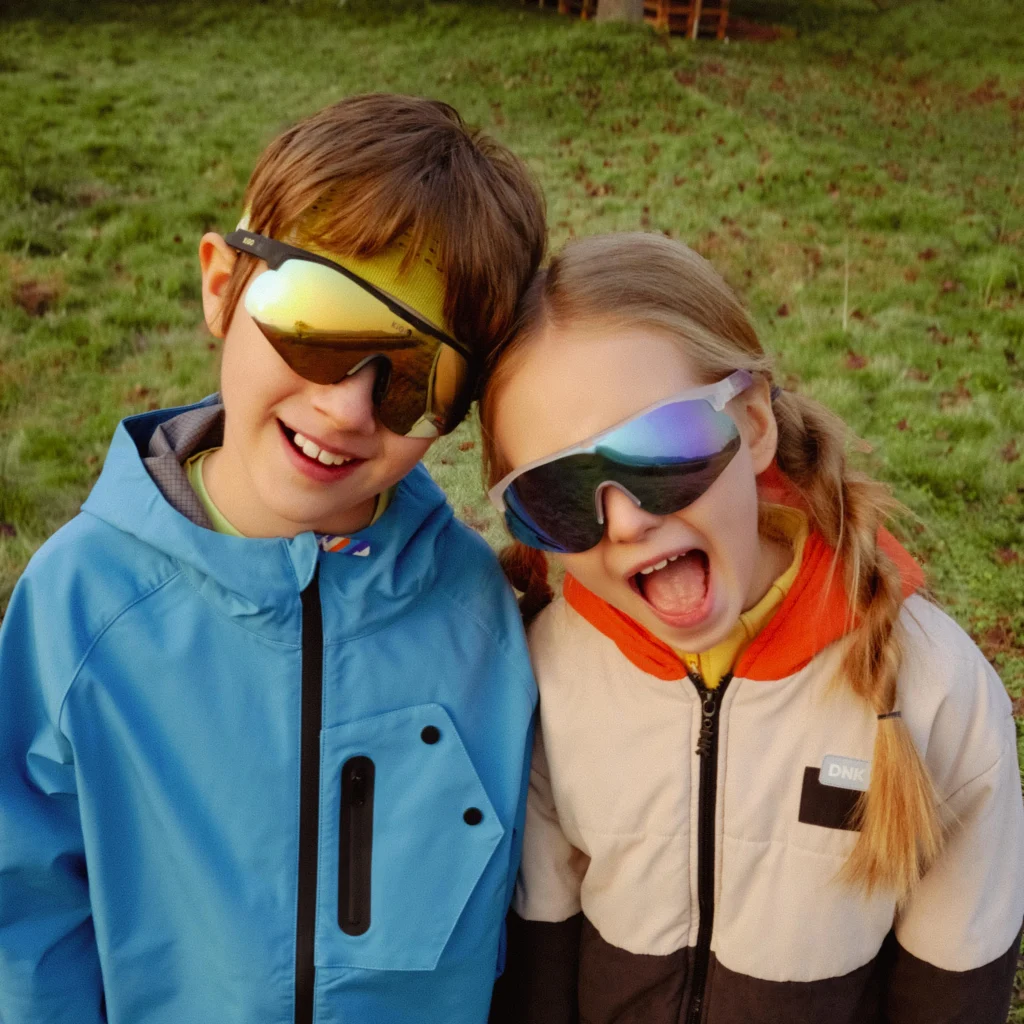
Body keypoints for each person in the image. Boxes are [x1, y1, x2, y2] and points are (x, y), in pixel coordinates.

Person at [0, 94, 546, 1024]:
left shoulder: (475, 614)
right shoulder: (79, 606)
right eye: (321, 325)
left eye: (419, 378)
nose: (348, 409)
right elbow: (25, 926)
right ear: (223, 286)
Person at [481, 232, 1024, 1024]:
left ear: (755, 424)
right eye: (561, 493)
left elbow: (956, 980)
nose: (627, 520)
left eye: (662, 450)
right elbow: (541, 964)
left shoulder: (936, 690)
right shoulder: (544, 677)